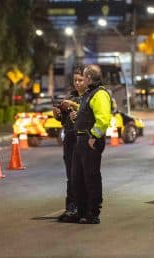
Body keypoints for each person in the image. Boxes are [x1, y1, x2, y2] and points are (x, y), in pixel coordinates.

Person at [71, 64, 112, 224]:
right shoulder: (90, 93)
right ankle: (81, 212)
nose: (82, 79)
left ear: (89, 78)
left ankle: (92, 213)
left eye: (84, 77)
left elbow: (103, 120)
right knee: (77, 178)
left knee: (91, 177)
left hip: (90, 141)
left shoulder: (100, 94)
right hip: (81, 140)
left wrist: (94, 136)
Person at [54, 66, 86, 222]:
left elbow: (91, 113)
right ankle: (71, 208)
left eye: (81, 80)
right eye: (75, 80)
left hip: (84, 137)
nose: (78, 83)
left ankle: (84, 208)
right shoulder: (70, 97)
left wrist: (75, 109)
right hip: (70, 136)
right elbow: (64, 120)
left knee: (81, 174)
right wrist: (58, 114)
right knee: (70, 174)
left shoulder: (91, 96)